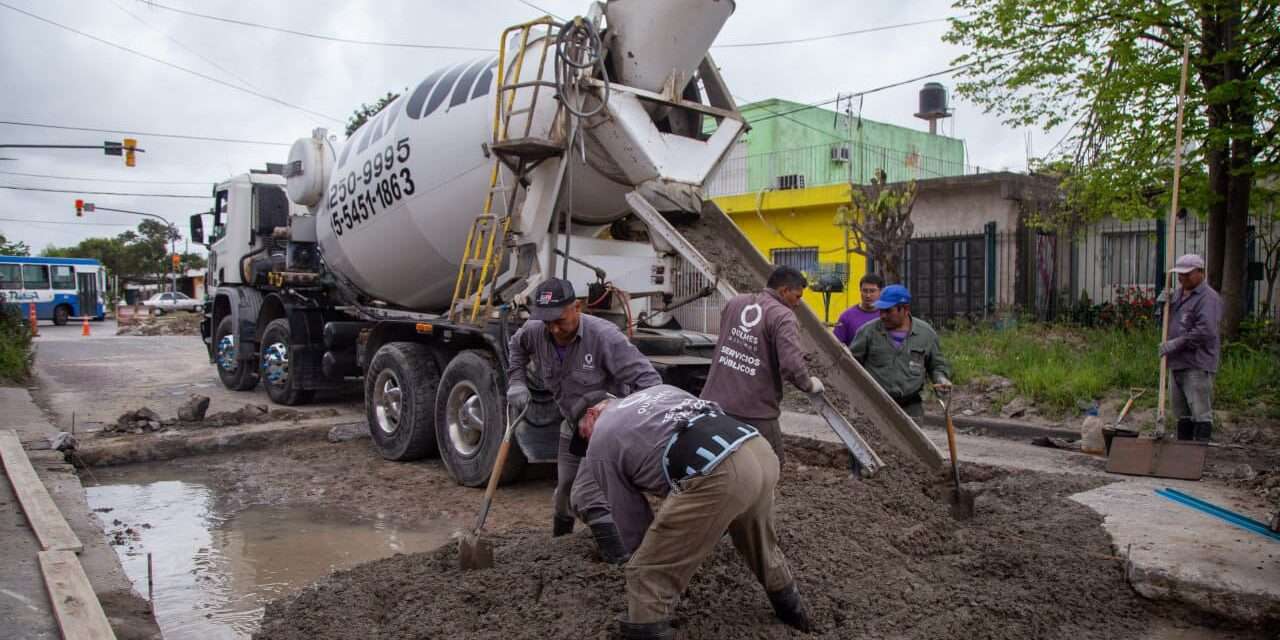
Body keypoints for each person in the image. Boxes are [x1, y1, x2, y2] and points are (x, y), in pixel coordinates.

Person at [570, 384, 813, 639]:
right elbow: (712, 412)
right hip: (756, 449)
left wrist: (653, 555)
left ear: (592, 414)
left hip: (717, 471)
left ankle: (647, 628)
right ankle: (799, 622)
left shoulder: (600, 440)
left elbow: (630, 517)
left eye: (582, 434)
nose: (586, 443)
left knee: (647, 573)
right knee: (761, 545)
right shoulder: (659, 391)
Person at [506, 278, 662, 537]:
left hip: (606, 429)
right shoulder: (534, 331)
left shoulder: (604, 337)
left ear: (576, 307)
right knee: (565, 488)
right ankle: (560, 545)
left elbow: (649, 382)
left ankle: (621, 554)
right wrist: (517, 382)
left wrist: (621, 415)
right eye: (547, 322)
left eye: (559, 320)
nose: (554, 329)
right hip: (572, 423)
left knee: (590, 494)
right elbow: (516, 346)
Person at [699, 265, 823, 464]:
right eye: (797, 296)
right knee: (772, 465)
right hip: (754, 411)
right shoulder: (783, 315)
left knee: (718, 464)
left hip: (714, 404)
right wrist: (809, 384)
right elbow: (791, 365)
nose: (799, 303)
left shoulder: (735, 302)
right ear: (783, 291)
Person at [848, 284, 951, 419]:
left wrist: (941, 379)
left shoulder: (926, 334)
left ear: (905, 309)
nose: (883, 316)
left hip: (911, 408)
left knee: (909, 440)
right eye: (881, 310)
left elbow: (937, 365)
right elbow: (851, 363)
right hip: (874, 406)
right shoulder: (868, 332)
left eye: (888, 311)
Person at [1159, 254, 1221, 442]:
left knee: (1200, 412)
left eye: (1187, 274)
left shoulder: (1208, 298)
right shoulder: (1176, 294)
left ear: (1200, 273)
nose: (1182, 278)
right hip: (1176, 363)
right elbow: (1165, 323)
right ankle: (1182, 455)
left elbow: (1205, 331)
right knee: (1181, 413)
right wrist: (1162, 306)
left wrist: (1175, 344)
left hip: (1196, 363)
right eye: (1180, 274)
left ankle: (1198, 456)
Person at [833, 273, 885, 345]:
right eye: (865, 291)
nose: (868, 295)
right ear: (860, 290)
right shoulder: (847, 317)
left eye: (872, 291)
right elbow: (836, 345)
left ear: (881, 291)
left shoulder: (886, 315)